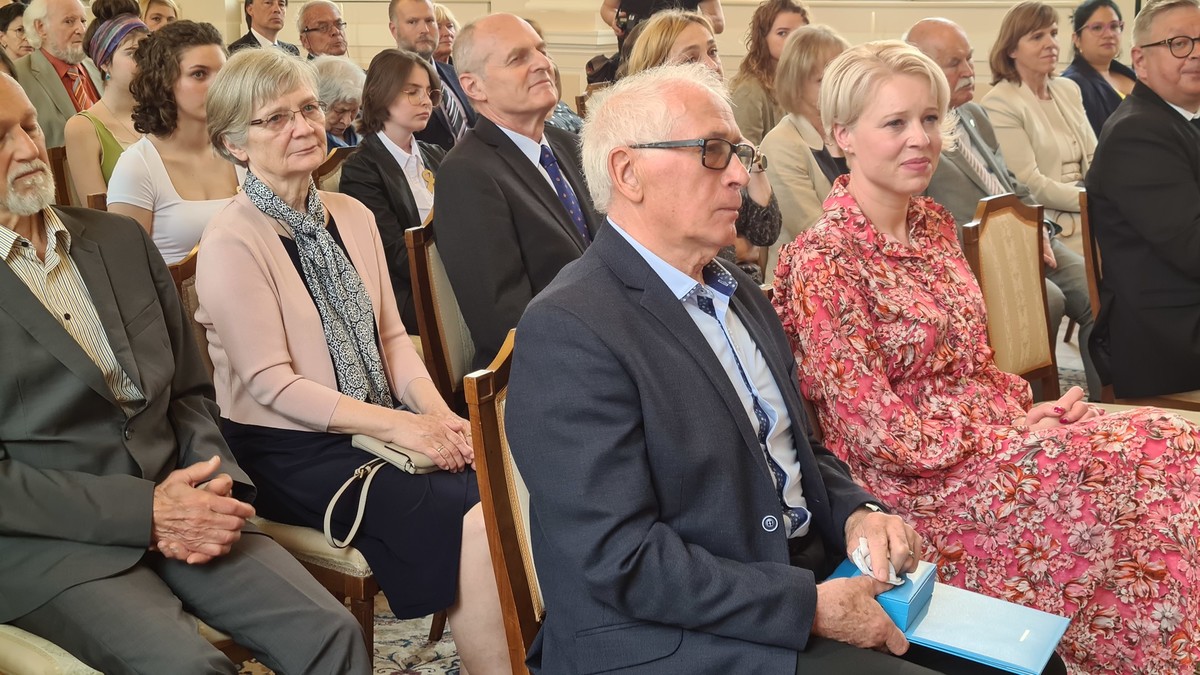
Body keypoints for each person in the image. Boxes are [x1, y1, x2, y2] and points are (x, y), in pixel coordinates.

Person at [507, 61, 1063, 675]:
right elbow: (618, 558)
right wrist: (808, 606)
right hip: (675, 635)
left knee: (1037, 663)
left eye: (739, 152)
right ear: (628, 172)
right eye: (714, 152)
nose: (742, 176)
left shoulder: (735, 292)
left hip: (792, 578)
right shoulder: (571, 325)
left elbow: (801, 450)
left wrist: (858, 512)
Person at [773, 38, 1200, 674]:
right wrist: (1003, 432)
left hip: (985, 442)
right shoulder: (820, 260)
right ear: (843, 137)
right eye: (894, 123)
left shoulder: (933, 226)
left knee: (1171, 439)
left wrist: (1033, 412)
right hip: (916, 485)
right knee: (1155, 461)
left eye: (929, 119)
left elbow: (976, 367)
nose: (920, 138)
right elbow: (871, 429)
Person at [0, 72, 370, 675]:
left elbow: (190, 393)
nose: (26, 148)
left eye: (29, 125)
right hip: (58, 545)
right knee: (190, 669)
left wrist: (210, 483)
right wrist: (143, 512)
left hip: (188, 498)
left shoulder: (117, 240)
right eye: (0, 138)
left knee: (332, 633)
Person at [196, 48, 512, 674]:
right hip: (289, 450)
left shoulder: (352, 214)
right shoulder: (231, 240)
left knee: (505, 480)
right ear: (235, 144)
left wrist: (434, 413)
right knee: (470, 509)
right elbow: (272, 385)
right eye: (276, 118)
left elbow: (395, 340)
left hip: (374, 422)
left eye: (309, 108)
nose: (303, 126)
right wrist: (399, 425)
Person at [907, 17, 1101, 400]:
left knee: (1099, 287)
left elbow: (1014, 185)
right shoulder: (917, 136)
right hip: (976, 253)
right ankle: (1027, 409)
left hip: (1028, 235)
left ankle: (1110, 398)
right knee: (1050, 299)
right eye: (954, 64)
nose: (968, 72)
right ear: (920, 70)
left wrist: (1040, 230)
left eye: (969, 59)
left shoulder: (975, 115)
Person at [435, 13, 602, 370]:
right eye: (518, 58)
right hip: (553, 371)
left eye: (541, 51)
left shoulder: (571, 145)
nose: (543, 64)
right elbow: (504, 322)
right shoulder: (466, 174)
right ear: (473, 87)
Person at [1086, 0, 1200, 399]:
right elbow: (1194, 250)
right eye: (1180, 43)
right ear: (1140, 60)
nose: (1197, 53)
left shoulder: (1180, 121)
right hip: (1171, 337)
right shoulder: (1140, 132)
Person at [626, 9, 782, 283]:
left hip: (745, 291)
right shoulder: (652, 148)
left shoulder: (725, 129)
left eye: (713, 51)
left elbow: (766, 232)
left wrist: (752, 158)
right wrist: (741, 248)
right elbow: (698, 254)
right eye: (691, 58)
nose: (711, 65)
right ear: (656, 68)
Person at [108, 21, 240, 264]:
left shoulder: (241, 150)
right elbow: (126, 272)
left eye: (222, 74)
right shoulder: (137, 167)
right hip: (177, 300)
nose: (216, 86)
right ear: (163, 83)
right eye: (199, 74)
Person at [340, 48, 445, 335]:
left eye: (429, 92)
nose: (425, 101)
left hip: (451, 279)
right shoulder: (362, 169)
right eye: (412, 92)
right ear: (380, 94)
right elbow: (393, 254)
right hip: (407, 293)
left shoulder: (437, 155)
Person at [981, 1, 1095, 240]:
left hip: (1096, 210)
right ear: (1011, 49)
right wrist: (1093, 200)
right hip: (1054, 224)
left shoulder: (1069, 89)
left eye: (1053, 33)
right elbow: (1029, 184)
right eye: (1037, 37)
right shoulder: (1000, 102)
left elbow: (1096, 157)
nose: (1051, 44)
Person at [760, 24, 848, 277]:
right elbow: (815, 233)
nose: (837, 88)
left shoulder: (850, 134)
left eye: (841, 77)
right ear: (796, 84)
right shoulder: (781, 144)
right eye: (823, 80)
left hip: (857, 274)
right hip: (807, 283)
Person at [63, 1, 147, 204]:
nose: (145, 59)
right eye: (132, 51)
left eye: (148, 48)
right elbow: (99, 217)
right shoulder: (82, 127)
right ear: (105, 63)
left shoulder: (163, 113)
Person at [12, 0, 103, 150]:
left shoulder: (98, 65)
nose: (81, 29)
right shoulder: (16, 77)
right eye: (69, 21)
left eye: (83, 21)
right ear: (41, 28)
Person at [390, 0, 476, 150]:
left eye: (430, 21)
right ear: (394, 29)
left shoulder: (455, 73)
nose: (424, 29)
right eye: (413, 22)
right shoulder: (386, 81)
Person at [729, 0, 809, 145]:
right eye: (782, 33)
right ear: (763, 39)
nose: (793, 41)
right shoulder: (749, 91)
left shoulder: (800, 85)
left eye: (799, 34)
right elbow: (745, 156)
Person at [1062, 0, 1138, 136]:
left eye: (1114, 26)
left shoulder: (1133, 74)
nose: (1109, 34)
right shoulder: (1072, 84)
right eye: (1097, 28)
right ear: (1077, 38)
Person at [600, 0, 725, 47]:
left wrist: (674, 23)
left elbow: (717, 21)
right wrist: (614, 20)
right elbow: (607, 8)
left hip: (679, 57)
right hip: (631, 57)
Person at [311, 55, 363, 148]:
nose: (347, 121)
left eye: (354, 110)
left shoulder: (366, 132)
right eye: (340, 111)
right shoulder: (310, 146)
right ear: (318, 103)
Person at [228, 0, 299, 56]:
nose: (277, 9)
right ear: (250, 9)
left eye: (281, 4)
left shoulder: (291, 52)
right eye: (268, 3)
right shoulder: (237, 51)